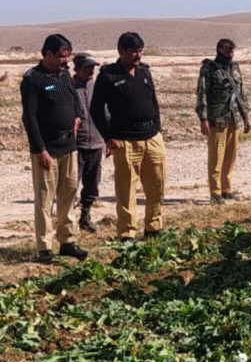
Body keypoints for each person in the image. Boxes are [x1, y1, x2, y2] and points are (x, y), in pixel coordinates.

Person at [20, 33, 89, 263]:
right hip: (47, 149)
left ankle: (67, 241)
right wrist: (40, 149)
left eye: (67, 56)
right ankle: (45, 247)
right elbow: (29, 118)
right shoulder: (33, 79)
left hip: (68, 146)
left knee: (69, 194)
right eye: (61, 56)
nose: (65, 61)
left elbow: (73, 99)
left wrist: (77, 116)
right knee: (45, 199)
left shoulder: (64, 74)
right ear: (47, 54)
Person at [90, 32, 166, 240]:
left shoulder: (144, 72)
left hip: (151, 137)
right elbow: (96, 109)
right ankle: (127, 233)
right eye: (133, 51)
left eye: (140, 51)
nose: (138, 55)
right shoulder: (108, 76)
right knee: (126, 190)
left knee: (157, 185)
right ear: (121, 51)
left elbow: (153, 102)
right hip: (125, 141)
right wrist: (108, 137)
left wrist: (157, 129)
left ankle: (154, 227)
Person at [196, 38, 251, 204]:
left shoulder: (234, 68)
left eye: (232, 51)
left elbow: (241, 93)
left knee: (230, 156)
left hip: (233, 117)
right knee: (216, 157)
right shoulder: (209, 69)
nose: (230, 54)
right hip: (217, 118)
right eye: (227, 50)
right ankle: (215, 192)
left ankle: (227, 189)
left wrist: (245, 117)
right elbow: (202, 93)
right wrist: (203, 118)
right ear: (219, 50)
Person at [71, 52, 105, 232]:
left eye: (93, 67)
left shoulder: (98, 85)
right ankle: (67, 222)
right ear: (77, 69)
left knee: (92, 184)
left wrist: (108, 137)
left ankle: (85, 217)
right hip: (76, 145)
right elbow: (46, 90)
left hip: (97, 143)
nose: (91, 71)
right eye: (87, 67)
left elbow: (106, 111)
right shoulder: (67, 85)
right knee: (70, 185)